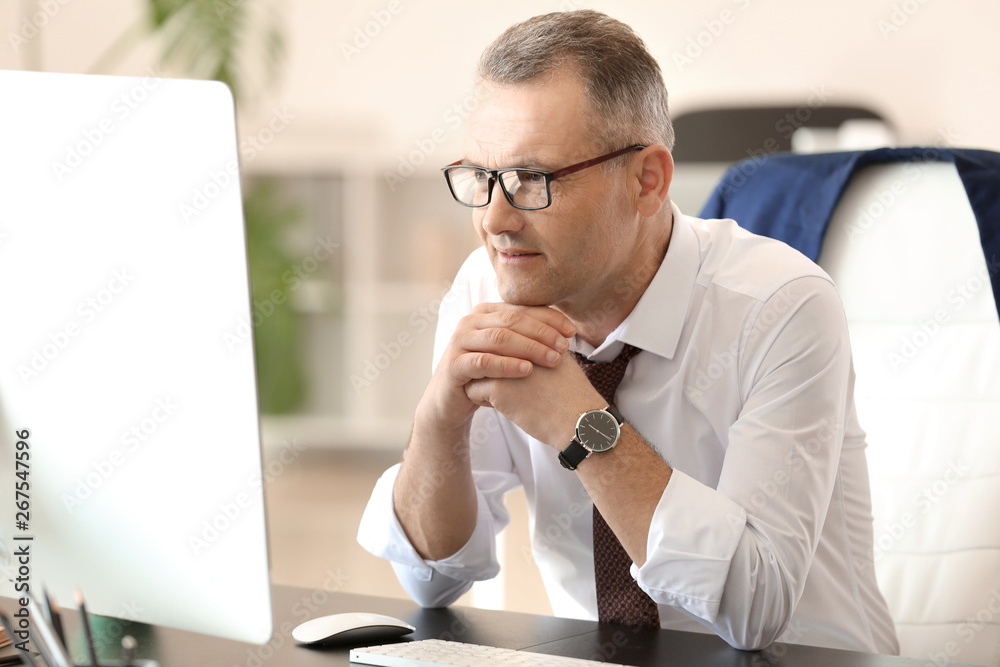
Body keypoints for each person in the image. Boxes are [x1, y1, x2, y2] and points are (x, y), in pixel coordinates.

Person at [358, 9, 899, 654]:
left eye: (534, 179)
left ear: (647, 180)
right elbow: (431, 580)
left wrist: (578, 422)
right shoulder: (489, 287)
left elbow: (755, 612)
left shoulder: (781, 307)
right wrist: (439, 419)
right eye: (483, 175)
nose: (496, 218)